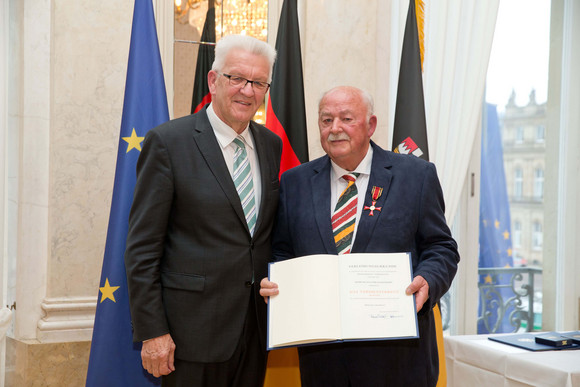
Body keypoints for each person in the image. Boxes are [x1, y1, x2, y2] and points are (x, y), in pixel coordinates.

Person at [260, 86, 459, 386]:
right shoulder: (294, 182)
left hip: (399, 361)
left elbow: (441, 247)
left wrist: (428, 280)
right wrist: (277, 284)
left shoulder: (416, 176)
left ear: (371, 125)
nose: (335, 128)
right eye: (326, 120)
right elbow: (282, 252)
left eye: (346, 118)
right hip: (323, 362)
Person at [125, 34, 281, 387]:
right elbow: (142, 248)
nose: (247, 90)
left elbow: (261, 237)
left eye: (258, 82)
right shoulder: (168, 143)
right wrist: (153, 332)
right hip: (188, 337)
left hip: (254, 331)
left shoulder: (270, 145)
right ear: (213, 80)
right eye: (236, 78)